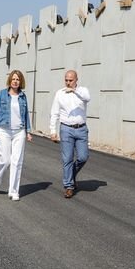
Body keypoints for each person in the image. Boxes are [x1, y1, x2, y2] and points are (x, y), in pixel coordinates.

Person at [0, 70, 32, 201]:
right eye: (13, 79)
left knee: (17, 161)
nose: (15, 81)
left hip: (19, 131)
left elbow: (26, 115)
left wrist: (28, 131)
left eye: (18, 79)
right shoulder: (2, 94)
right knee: (5, 159)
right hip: (4, 130)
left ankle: (13, 191)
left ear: (21, 81)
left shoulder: (23, 96)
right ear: (10, 80)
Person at [49, 69, 90, 199]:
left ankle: (70, 175)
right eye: (66, 80)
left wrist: (74, 91)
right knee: (67, 159)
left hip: (81, 129)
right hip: (66, 129)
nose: (68, 82)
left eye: (70, 80)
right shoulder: (59, 94)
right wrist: (53, 131)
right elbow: (54, 113)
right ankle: (69, 186)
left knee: (83, 157)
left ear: (76, 80)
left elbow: (87, 98)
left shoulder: (82, 91)